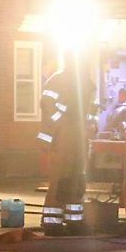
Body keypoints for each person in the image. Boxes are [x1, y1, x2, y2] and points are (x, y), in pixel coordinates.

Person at [38, 50, 94, 235]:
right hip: (61, 139)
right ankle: (52, 223)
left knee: (77, 180)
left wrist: (89, 126)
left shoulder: (85, 83)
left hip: (77, 138)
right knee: (59, 180)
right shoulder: (57, 80)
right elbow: (47, 105)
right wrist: (62, 124)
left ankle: (74, 220)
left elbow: (89, 109)